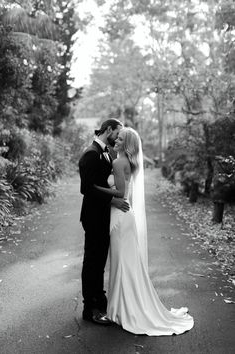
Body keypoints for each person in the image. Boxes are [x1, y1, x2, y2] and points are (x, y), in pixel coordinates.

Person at [94, 127, 194, 335]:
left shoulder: (118, 162)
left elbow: (120, 193)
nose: (116, 141)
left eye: (121, 139)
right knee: (126, 263)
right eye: (117, 138)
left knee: (123, 264)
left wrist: (96, 189)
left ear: (128, 144)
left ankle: (125, 310)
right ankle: (123, 308)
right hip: (124, 216)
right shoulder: (127, 161)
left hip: (120, 218)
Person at [78, 118, 129, 325]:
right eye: (117, 133)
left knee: (99, 263)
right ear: (108, 130)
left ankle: (100, 301)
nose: (118, 138)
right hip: (93, 217)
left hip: (103, 215)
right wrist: (112, 199)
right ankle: (90, 309)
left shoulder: (106, 152)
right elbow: (86, 188)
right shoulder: (91, 154)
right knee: (92, 263)